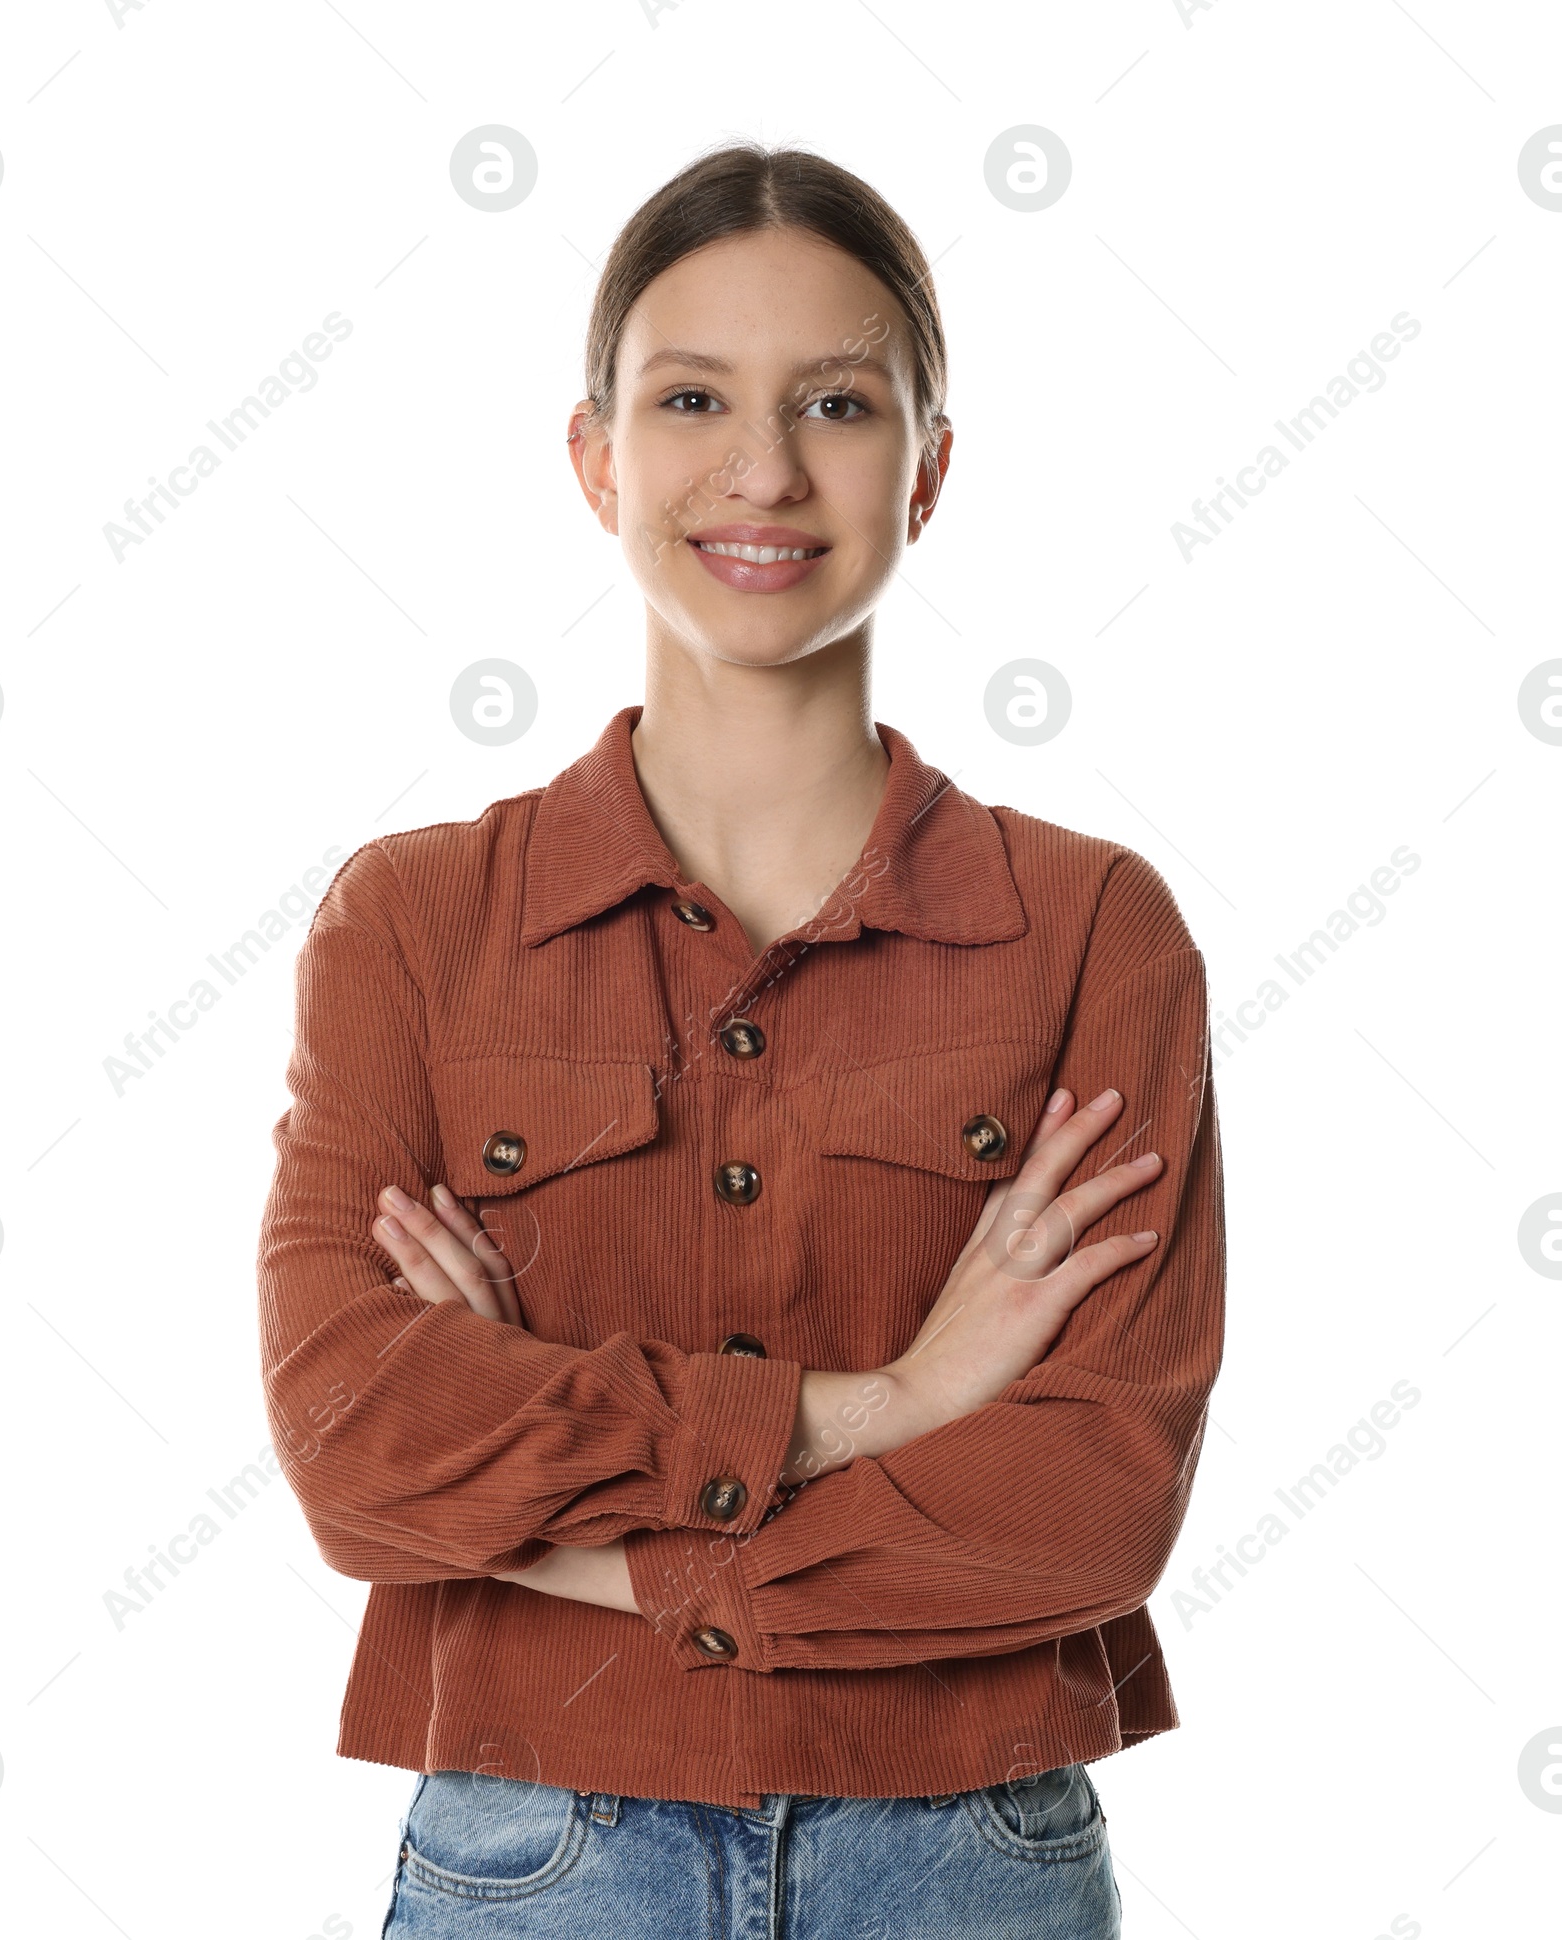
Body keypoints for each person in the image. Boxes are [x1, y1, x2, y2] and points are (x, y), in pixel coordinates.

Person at [256, 139, 1226, 1939]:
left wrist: (551, 1530)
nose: (763, 471)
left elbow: (1090, 1503)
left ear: (928, 471)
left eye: (839, 404)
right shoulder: (412, 922)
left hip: (964, 1862)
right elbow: (352, 1446)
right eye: (691, 395)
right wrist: (891, 1407)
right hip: (535, 1860)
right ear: (594, 454)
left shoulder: (1096, 929)